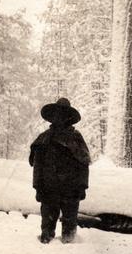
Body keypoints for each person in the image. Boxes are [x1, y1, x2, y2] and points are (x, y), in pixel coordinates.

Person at [29, 97, 91, 244]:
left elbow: (84, 164)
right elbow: (36, 165)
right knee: (47, 231)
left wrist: (82, 187)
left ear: (69, 118)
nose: (60, 118)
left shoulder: (76, 138)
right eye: (57, 114)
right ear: (52, 116)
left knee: (69, 233)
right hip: (49, 191)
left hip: (71, 192)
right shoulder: (43, 139)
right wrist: (38, 187)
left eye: (64, 115)